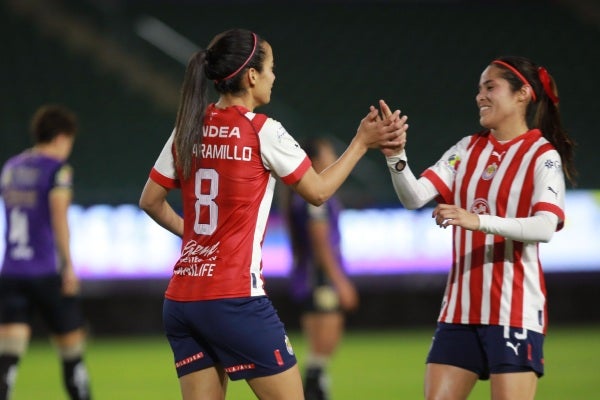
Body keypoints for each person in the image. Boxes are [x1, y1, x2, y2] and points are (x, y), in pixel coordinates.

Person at [138, 28, 407, 400]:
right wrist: (361, 142)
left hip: (182, 299)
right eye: (271, 68)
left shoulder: (189, 127)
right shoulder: (261, 130)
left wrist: (199, 239)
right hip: (234, 298)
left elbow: (150, 201)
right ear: (252, 76)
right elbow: (318, 192)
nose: (274, 77)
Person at [381, 56, 576, 400]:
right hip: (458, 312)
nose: (480, 96)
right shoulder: (466, 149)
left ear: (522, 94)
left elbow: (545, 226)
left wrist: (477, 221)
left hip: (513, 311)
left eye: (490, 87)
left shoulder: (542, 155)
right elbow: (415, 196)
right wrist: (396, 157)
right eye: (478, 89)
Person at [0, 105, 92, 400]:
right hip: (47, 272)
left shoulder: (11, 168)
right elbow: (59, 218)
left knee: (8, 359)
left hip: (12, 273)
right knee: (72, 355)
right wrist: (68, 266)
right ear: (62, 137)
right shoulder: (57, 170)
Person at [284, 137, 359, 400]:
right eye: (328, 153)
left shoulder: (302, 195)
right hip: (319, 279)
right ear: (315, 161)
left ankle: (315, 389)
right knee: (321, 350)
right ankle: (312, 392)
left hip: (311, 278)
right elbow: (320, 242)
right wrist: (340, 281)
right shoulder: (316, 197)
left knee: (319, 356)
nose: (333, 158)